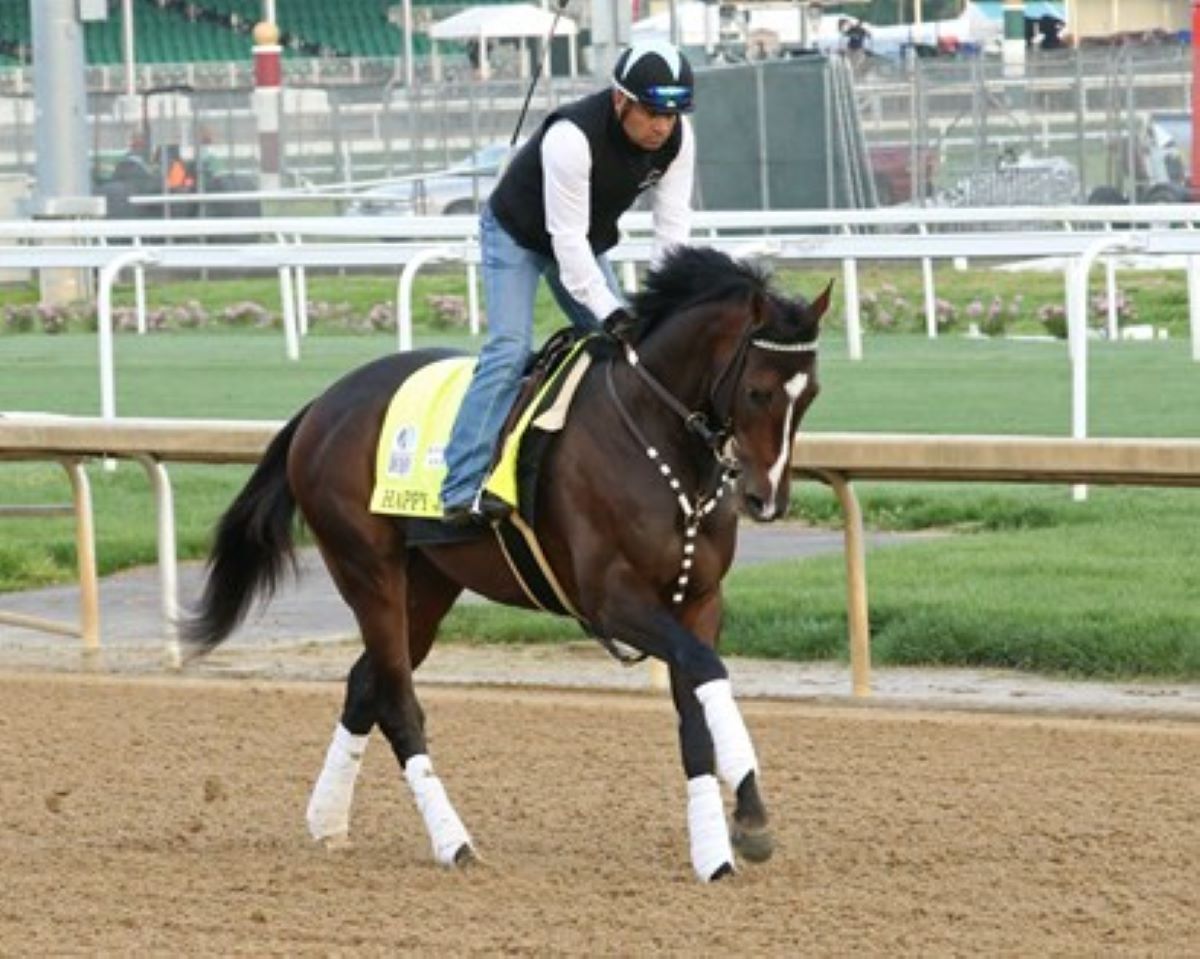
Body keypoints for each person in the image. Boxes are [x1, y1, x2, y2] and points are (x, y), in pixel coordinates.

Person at [439, 39, 697, 526]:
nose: (663, 125)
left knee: (633, 352)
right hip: (518, 234)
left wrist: (664, 306)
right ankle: (461, 486)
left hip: (583, 238)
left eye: (673, 113)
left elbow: (672, 231)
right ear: (620, 100)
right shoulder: (571, 138)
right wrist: (613, 312)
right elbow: (568, 247)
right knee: (511, 348)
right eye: (651, 112)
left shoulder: (679, 139)